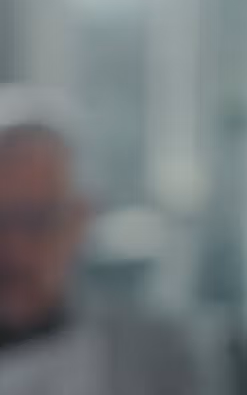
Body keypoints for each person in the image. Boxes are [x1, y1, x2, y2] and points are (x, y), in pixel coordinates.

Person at [0, 91, 200, 395]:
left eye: (37, 222)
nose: (14, 249)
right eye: (2, 220)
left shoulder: (156, 355)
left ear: (81, 217)